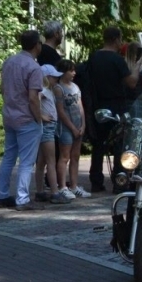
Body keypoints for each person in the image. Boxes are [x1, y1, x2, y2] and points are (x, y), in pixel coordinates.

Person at [0, 30, 47, 210]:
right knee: (26, 161)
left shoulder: (9, 62)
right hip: (26, 118)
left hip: (9, 115)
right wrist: (38, 118)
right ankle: (22, 198)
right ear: (36, 45)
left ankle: (2, 195)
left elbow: (2, 88)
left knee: (8, 157)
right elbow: (33, 98)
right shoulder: (34, 68)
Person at [79, 26, 133, 193]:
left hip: (98, 105)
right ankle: (119, 181)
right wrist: (136, 68)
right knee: (119, 144)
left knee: (98, 145)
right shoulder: (117, 60)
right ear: (116, 39)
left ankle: (96, 181)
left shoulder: (94, 57)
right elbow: (131, 82)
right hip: (116, 105)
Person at [34, 63, 70, 203]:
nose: (56, 80)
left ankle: (40, 191)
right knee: (50, 161)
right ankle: (55, 192)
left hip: (50, 126)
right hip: (47, 126)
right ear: (46, 77)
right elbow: (35, 101)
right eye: (53, 77)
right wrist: (41, 116)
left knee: (42, 161)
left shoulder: (48, 90)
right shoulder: (42, 90)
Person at [54, 59, 87, 199]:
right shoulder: (58, 88)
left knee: (75, 156)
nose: (74, 73)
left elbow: (80, 106)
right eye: (71, 70)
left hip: (78, 125)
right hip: (66, 128)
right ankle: (62, 186)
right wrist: (72, 127)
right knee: (65, 156)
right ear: (63, 72)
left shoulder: (75, 87)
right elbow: (60, 111)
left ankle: (74, 186)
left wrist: (83, 124)